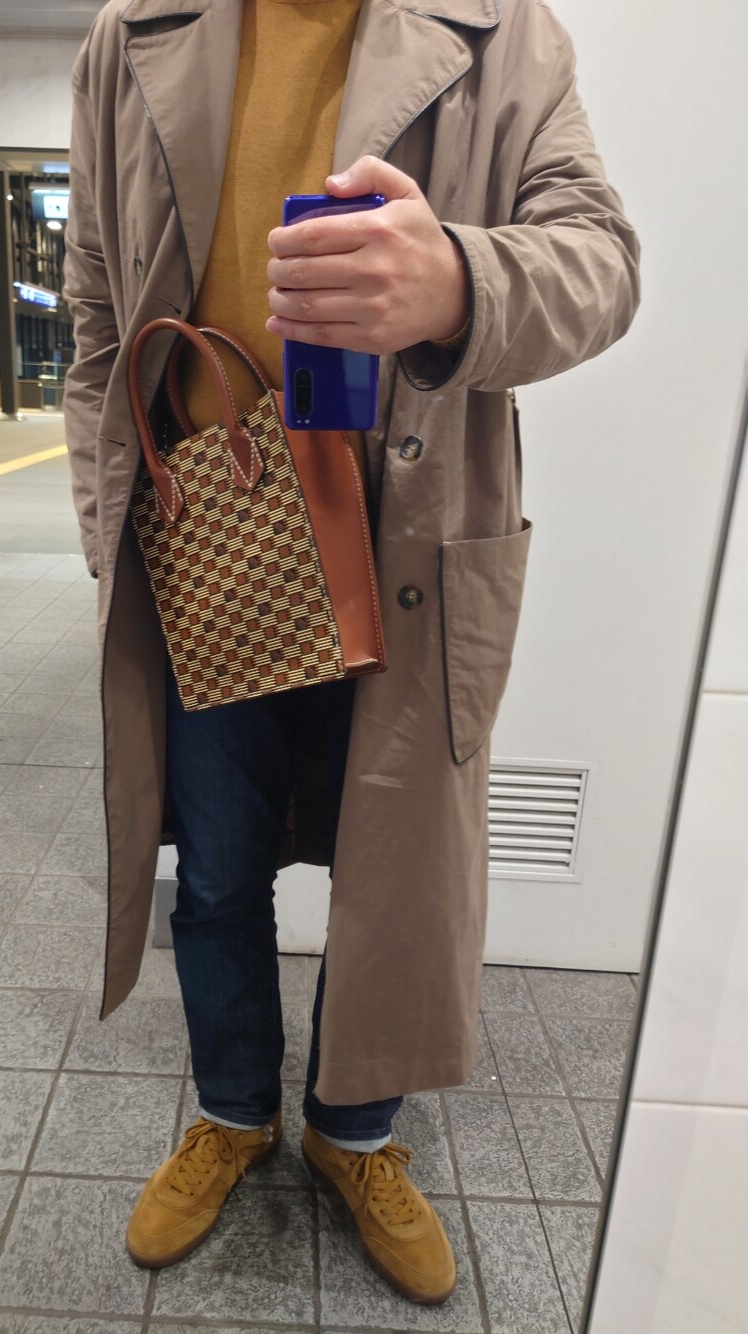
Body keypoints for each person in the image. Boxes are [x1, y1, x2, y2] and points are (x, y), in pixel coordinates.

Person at [62, 0, 639, 1305]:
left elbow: (604, 261)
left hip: (406, 547)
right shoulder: (130, 32)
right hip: (211, 540)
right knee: (215, 869)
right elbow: (98, 307)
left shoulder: (502, 31)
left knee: (398, 880)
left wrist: (460, 283)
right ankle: (232, 1111)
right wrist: (106, 529)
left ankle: (355, 1132)